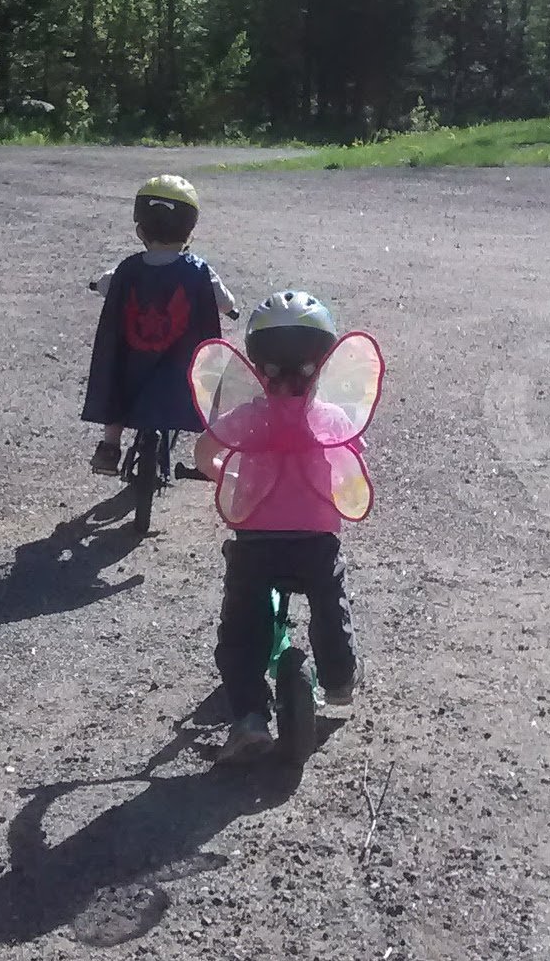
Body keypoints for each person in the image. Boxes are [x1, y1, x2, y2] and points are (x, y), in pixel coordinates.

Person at [191, 291, 383, 763]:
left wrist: (229, 474)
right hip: (316, 543)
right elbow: (349, 462)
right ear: (325, 364)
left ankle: (250, 718)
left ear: (256, 365)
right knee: (329, 601)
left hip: (256, 544)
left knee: (241, 631)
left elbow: (203, 454)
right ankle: (339, 680)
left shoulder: (248, 418)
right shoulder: (332, 417)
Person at [82, 175, 237, 475]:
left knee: (116, 383)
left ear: (140, 229)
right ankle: (204, 457)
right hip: (180, 365)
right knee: (199, 387)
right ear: (190, 231)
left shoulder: (127, 268)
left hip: (132, 361)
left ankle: (110, 446)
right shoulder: (200, 271)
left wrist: (97, 285)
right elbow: (225, 302)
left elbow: (104, 285)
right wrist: (232, 309)